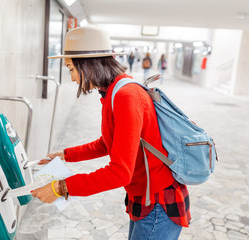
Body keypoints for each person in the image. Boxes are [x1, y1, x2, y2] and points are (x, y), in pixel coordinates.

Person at [31, 25, 191, 240]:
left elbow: (119, 173)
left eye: (71, 69)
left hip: (158, 204)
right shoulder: (114, 90)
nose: (72, 79)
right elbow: (109, 143)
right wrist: (66, 155)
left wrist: (62, 187)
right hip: (145, 197)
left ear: (88, 65)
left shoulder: (126, 95)